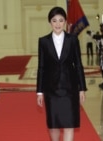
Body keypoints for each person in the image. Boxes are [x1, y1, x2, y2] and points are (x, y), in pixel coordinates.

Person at [36, 6, 87, 141]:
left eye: (60, 20)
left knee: (69, 124)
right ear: (50, 23)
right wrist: (39, 92)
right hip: (51, 91)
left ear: (65, 22)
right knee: (54, 126)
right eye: (54, 21)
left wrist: (82, 88)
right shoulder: (43, 41)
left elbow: (78, 65)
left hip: (70, 89)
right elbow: (41, 67)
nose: (57, 24)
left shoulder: (73, 40)